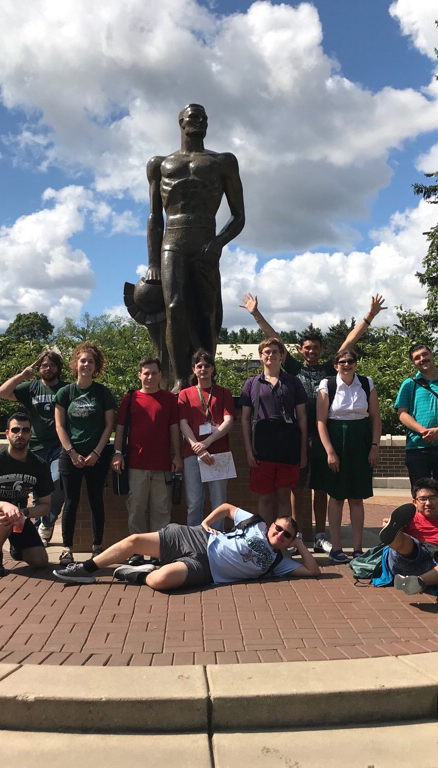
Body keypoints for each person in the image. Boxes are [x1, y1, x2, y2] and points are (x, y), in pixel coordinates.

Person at [240, 293, 385, 545]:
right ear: (299, 350)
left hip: (323, 433)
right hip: (295, 435)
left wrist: (369, 315)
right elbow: (274, 339)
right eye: (307, 348)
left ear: (322, 351)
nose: (312, 352)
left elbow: (350, 340)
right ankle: (294, 534)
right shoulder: (295, 369)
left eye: (316, 348)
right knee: (295, 487)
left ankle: (319, 534)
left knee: (321, 487)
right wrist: (255, 313)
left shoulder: (331, 369)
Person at [146, 104, 245, 390]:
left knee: (208, 312)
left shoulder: (223, 162)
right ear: (181, 123)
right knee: (174, 306)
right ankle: (178, 378)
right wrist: (152, 262)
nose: (199, 121)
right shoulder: (160, 164)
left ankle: (206, 376)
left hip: (205, 241)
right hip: (173, 241)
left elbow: (239, 216)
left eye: (204, 118)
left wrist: (217, 243)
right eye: (193, 117)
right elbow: (154, 217)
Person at [51, 503, 321, 590]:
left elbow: (313, 572)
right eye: (279, 528)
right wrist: (205, 522)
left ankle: (141, 573)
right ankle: (85, 569)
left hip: (205, 568)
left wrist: (300, 544)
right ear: (272, 524)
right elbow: (227, 508)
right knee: (134, 541)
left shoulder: (278, 562)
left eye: (287, 536)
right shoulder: (256, 523)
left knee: (160, 581)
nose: (280, 534)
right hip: (197, 538)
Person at [314, 348, 382, 563]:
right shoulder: (327, 385)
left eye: (350, 360)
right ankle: (336, 548)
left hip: (361, 439)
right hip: (336, 438)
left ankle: (358, 549)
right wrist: (330, 451)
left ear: (356, 363)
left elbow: (376, 418)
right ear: (335, 365)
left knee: (357, 497)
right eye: (341, 361)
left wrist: (374, 445)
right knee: (336, 496)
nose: (346, 364)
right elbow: (321, 421)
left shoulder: (366, 383)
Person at [0, 349, 67, 545]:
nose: (48, 368)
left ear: (58, 368)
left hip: (59, 446)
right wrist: (22, 375)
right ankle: (37, 530)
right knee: (39, 491)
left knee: (57, 482)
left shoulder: (66, 389)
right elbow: (2, 392)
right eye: (44, 365)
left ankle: (46, 523)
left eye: (52, 365)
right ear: (39, 368)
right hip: (35, 448)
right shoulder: (31, 387)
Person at [54, 342, 117, 563]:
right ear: (75, 364)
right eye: (83, 360)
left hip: (96, 457)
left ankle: (97, 547)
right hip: (70, 456)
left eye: (91, 361)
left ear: (96, 366)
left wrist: (97, 453)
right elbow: (60, 426)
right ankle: (66, 549)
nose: (86, 364)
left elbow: (109, 426)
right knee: (70, 502)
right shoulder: (65, 392)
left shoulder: (102, 393)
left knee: (95, 500)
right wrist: (71, 452)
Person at [0, 412, 53, 577]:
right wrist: (4, 505)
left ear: (30, 434)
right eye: (15, 430)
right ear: (7, 433)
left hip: (19, 515)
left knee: (40, 561)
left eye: (25, 430)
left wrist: (24, 513)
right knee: (5, 517)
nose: (20, 434)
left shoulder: (39, 465)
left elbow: (45, 506)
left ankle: (17, 545)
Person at [112, 356, 182, 541]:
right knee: (136, 508)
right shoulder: (130, 398)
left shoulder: (169, 399)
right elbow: (120, 429)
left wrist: (177, 456)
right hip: (136, 464)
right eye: (146, 373)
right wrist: (117, 453)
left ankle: (159, 550)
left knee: (161, 510)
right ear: (139, 375)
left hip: (163, 464)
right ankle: (137, 551)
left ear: (160, 375)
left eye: (154, 373)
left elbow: (174, 428)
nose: (150, 377)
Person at [394, 344, 438, 517]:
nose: (422, 359)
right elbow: (402, 413)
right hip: (417, 448)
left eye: (424, 354)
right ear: (413, 363)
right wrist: (423, 431)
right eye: (417, 358)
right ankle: (423, 534)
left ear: (432, 355)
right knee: (420, 495)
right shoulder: (409, 385)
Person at [240, 337, 307, 525]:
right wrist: (248, 450)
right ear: (261, 357)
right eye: (267, 352)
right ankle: (265, 543)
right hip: (263, 449)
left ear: (281, 356)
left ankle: (282, 543)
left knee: (284, 498)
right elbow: (245, 419)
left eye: (275, 352)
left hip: (287, 448)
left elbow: (302, 417)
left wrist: (302, 452)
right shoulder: (252, 383)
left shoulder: (293, 382)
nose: (271, 355)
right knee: (265, 498)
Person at [377, 477, 438, 594]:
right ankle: (392, 532)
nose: (428, 503)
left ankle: (417, 582)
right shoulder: (408, 519)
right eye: (422, 499)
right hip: (406, 562)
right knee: (407, 542)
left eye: (432, 498)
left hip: (435, 567)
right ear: (414, 502)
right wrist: (393, 527)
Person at [178, 349, 236, 526]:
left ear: (213, 369)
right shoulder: (185, 394)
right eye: (199, 366)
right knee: (194, 503)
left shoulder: (224, 393)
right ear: (194, 369)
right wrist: (197, 446)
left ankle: (216, 544)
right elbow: (183, 423)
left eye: (207, 366)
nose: (203, 369)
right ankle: (194, 544)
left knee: (219, 503)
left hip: (219, 453)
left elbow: (229, 421)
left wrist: (207, 442)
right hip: (192, 454)